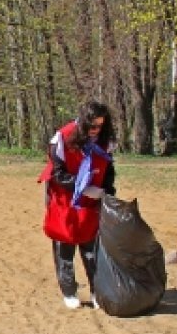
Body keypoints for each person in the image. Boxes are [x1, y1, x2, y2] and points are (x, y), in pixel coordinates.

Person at [36, 100, 117, 309]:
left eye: (99, 126)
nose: (94, 130)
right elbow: (57, 173)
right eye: (91, 126)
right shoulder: (62, 138)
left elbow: (108, 170)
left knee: (92, 247)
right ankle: (69, 290)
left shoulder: (104, 140)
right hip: (64, 199)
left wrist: (106, 191)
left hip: (92, 202)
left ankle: (96, 290)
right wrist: (80, 187)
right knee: (66, 244)